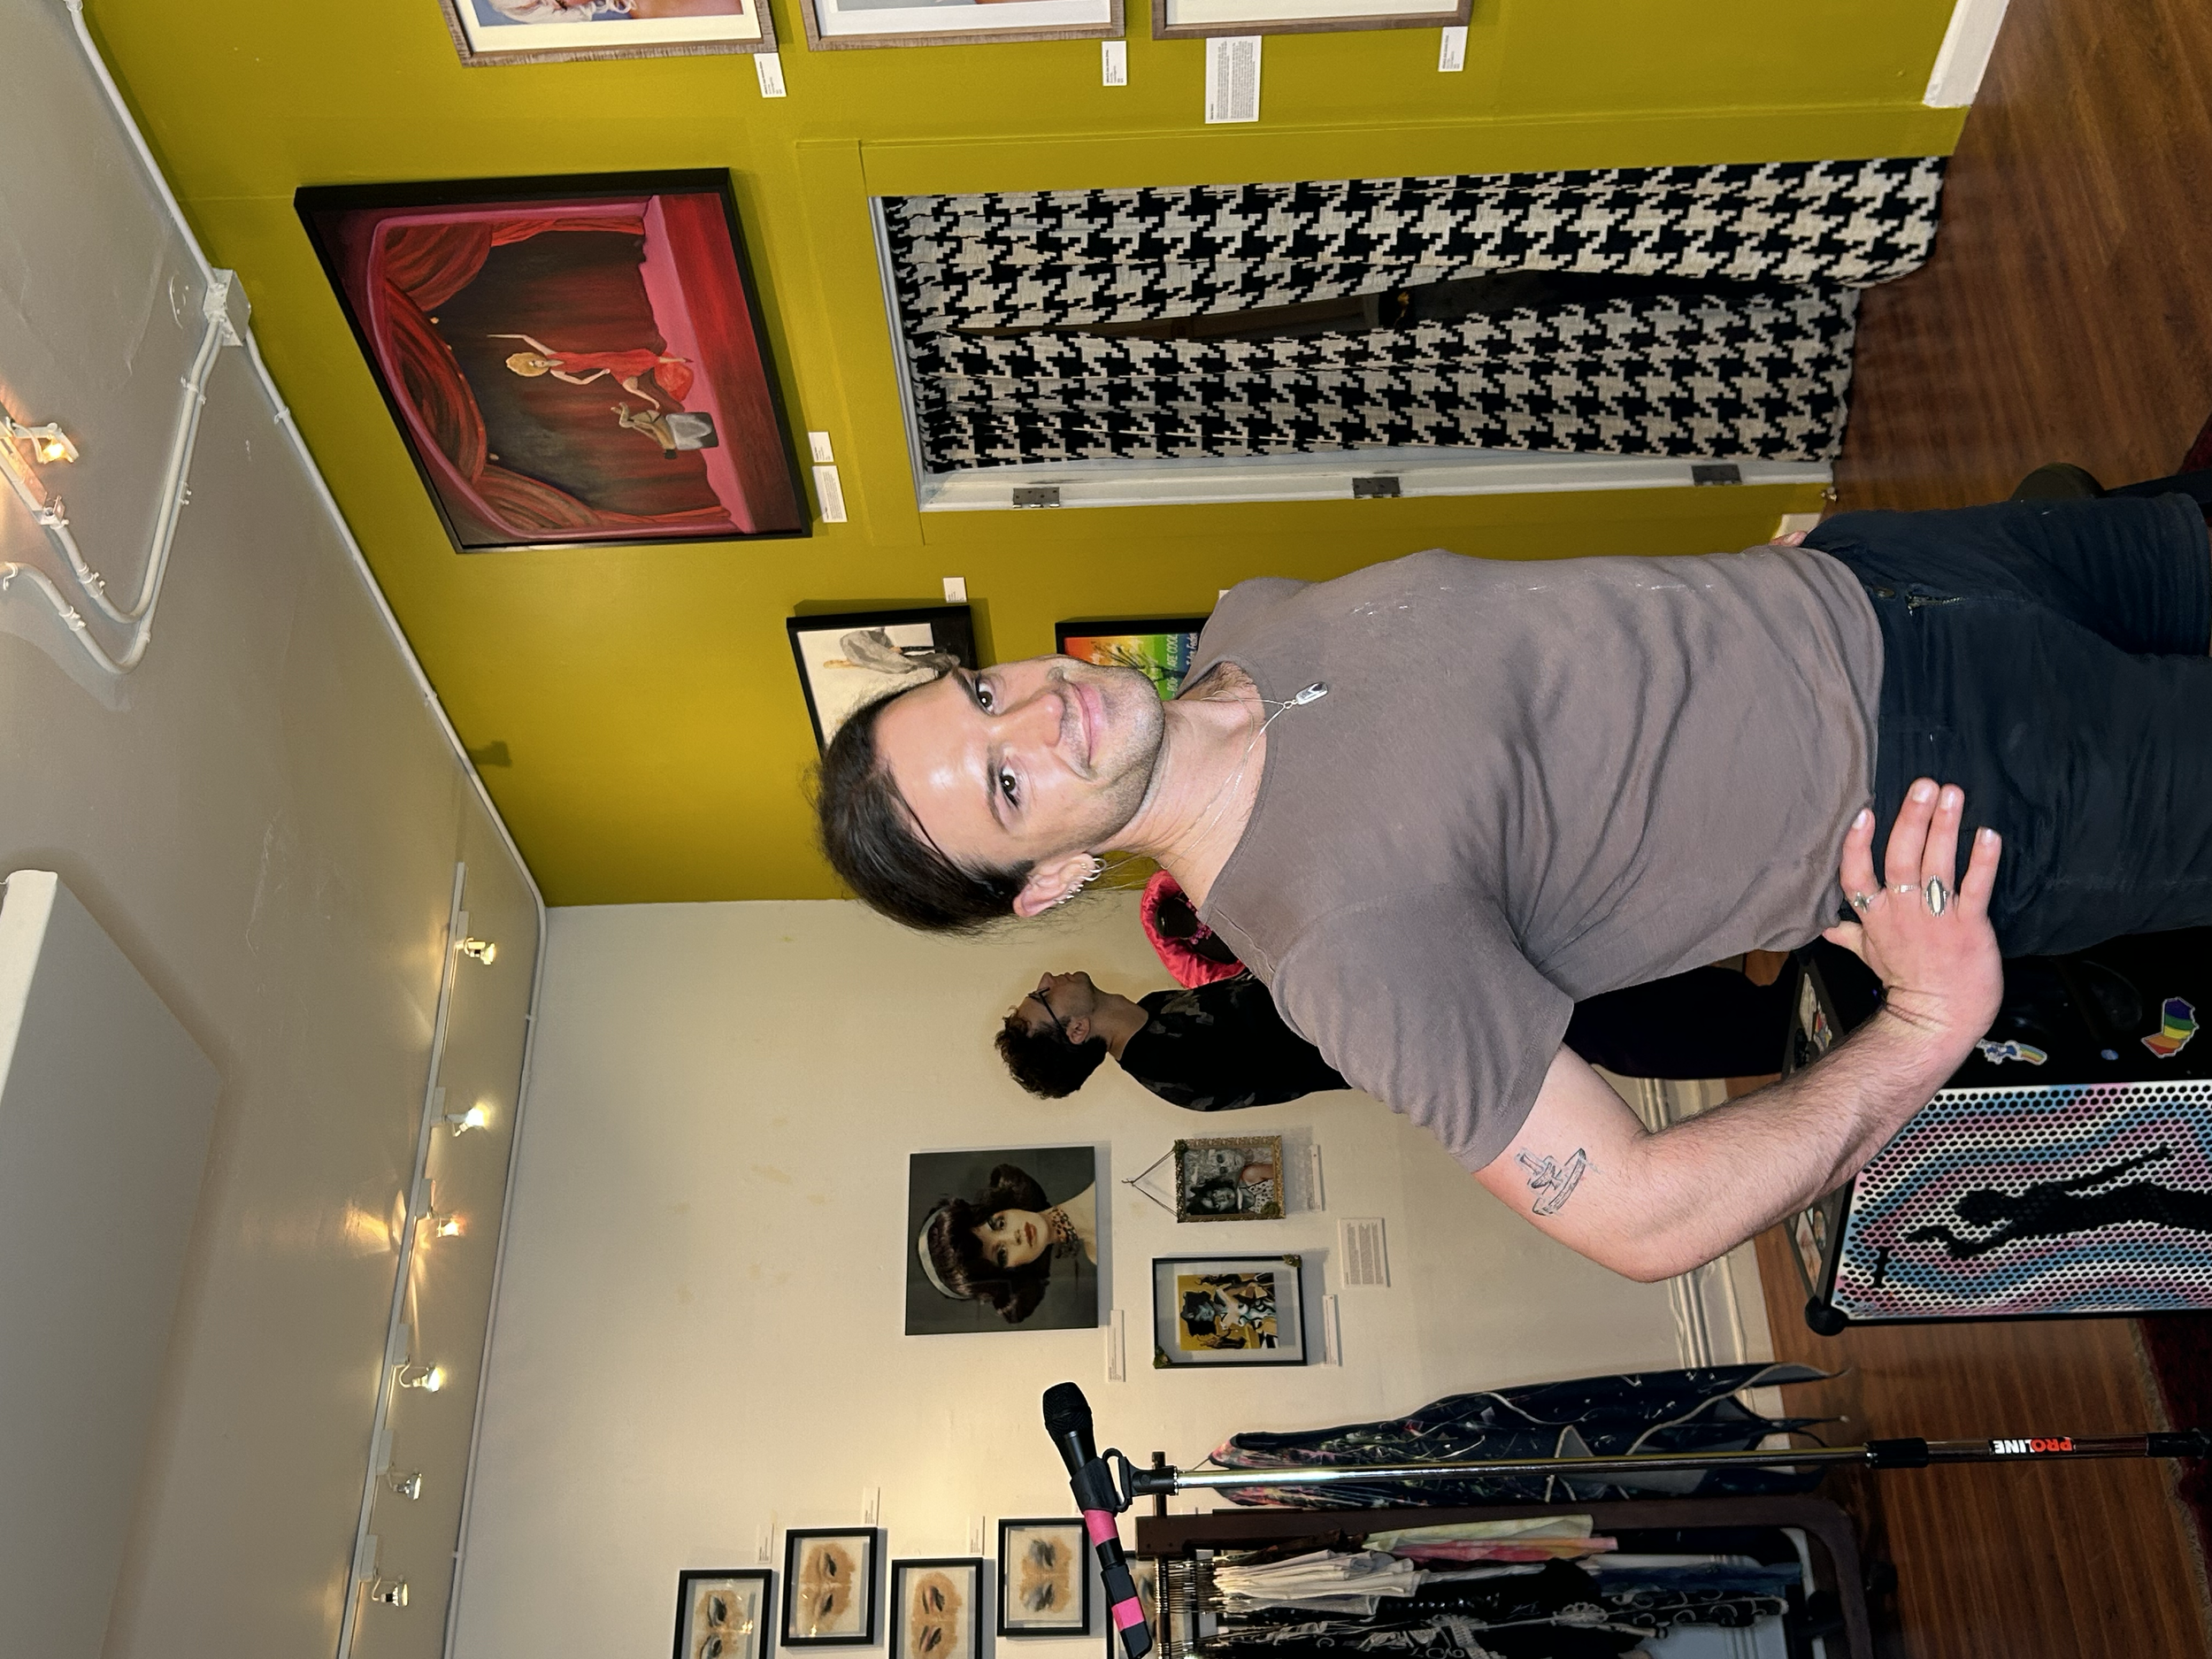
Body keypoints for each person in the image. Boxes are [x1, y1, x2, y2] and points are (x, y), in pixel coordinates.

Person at [818, 478, 2212, 1282]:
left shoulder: (1248, 621)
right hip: (1961, 787)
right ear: (1051, 879)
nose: (1035, 714)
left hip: (1899, 578)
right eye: (1006, 788)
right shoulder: (1339, 946)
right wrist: (1921, 1027)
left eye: (981, 694)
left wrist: (1747, 594)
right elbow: (1635, 1213)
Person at [995, 964, 1800, 1107]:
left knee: (1599, 997)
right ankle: (1782, 1036)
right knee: (1598, 1023)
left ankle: (1774, 1011)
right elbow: (1308, 1035)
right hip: (1416, 1021)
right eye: (1042, 998)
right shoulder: (1168, 1061)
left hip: (1409, 992)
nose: (1049, 978)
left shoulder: (1154, 1011)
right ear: (1075, 1029)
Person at [914, 1162, 1094, 1325]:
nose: (1014, 1236)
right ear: (1014, 1271)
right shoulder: (1096, 1257)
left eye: (999, 1224)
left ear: (1001, 1207)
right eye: (1001, 1254)